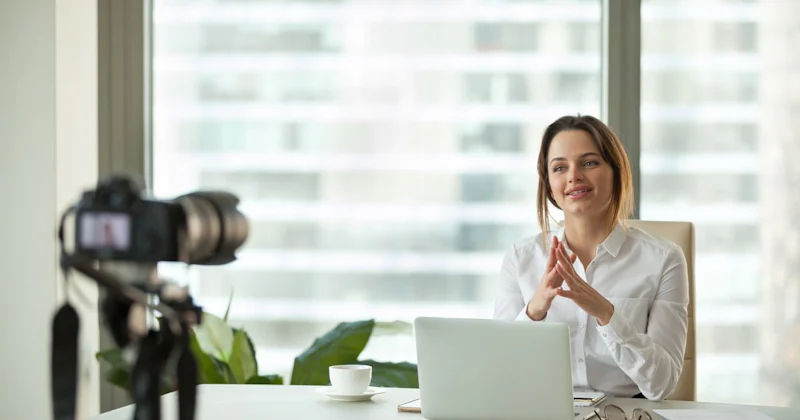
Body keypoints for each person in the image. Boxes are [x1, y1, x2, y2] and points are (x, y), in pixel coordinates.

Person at [493, 115, 689, 401]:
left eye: (589, 162)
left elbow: (660, 384)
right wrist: (534, 310)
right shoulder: (520, 258)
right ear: (549, 185)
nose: (574, 176)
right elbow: (498, 372)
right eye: (560, 167)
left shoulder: (664, 259)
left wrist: (607, 314)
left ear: (616, 172)